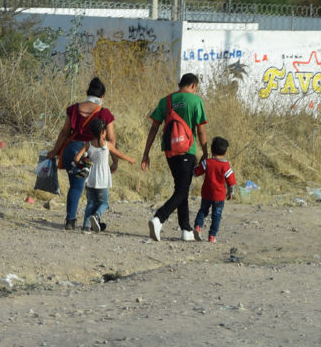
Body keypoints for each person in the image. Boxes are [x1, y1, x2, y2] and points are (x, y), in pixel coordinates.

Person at [141, 73, 208, 242]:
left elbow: (154, 128)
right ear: (193, 85)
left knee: (181, 187)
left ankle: (186, 229)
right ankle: (159, 218)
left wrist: (146, 153)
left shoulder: (166, 101)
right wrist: (206, 152)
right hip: (187, 150)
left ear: (180, 84)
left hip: (170, 151)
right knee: (182, 190)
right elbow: (200, 130)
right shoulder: (195, 101)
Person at [46, 77, 119, 231]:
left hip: (72, 151)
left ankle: (70, 220)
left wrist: (54, 151)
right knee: (95, 190)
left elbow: (64, 133)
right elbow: (111, 139)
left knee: (76, 187)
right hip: (93, 154)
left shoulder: (73, 109)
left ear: (87, 93)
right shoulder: (104, 114)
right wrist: (115, 161)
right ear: (102, 97)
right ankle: (90, 221)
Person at [75, 118, 135, 233]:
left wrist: (86, 162)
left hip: (90, 178)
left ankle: (86, 227)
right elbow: (119, 155)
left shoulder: (88, 145)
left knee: (91, 202)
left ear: (91, 132)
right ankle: (96, 216)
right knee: (104, 202)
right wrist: (130, 159)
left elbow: (77, 158)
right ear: (103, 132)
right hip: (102, 179)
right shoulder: (107, 145)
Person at [193, 137, 236, 243]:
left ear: (211, 150)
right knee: (216, 215)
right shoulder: (226, 166)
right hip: (219, 196)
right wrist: (231, 192)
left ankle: (198, 227)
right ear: (225, 152)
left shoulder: (207, 163)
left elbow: (196, 172)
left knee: (203, 211)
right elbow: (231, 181)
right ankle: (212, 236)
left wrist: (194, 166)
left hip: (206, 194)